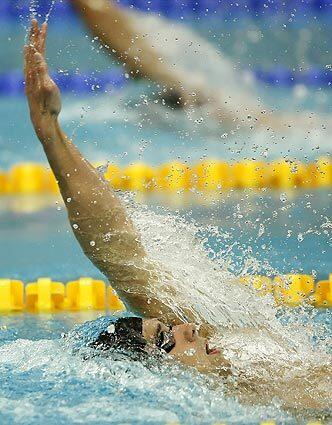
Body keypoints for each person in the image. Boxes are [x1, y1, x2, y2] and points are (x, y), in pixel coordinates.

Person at [24, 20, 331, 413]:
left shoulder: (230, 357)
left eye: (167, 330)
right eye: (167, 340)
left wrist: (50, 132)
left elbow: (117, 250)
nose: (185, 327)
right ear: (158, 378)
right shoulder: (239, 402)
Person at [71, 0, 330, 133]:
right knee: (252, 119)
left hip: (167, 77)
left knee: (251, 122)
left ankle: (298, 125)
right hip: (159, 71)